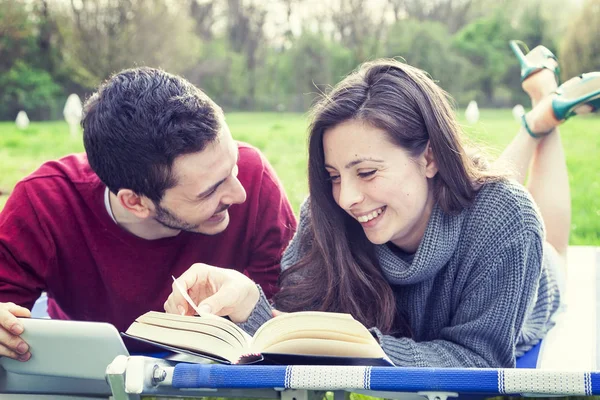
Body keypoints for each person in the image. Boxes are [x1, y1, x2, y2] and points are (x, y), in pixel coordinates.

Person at [166, 41, 600, 367]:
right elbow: (295, 329)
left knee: (549, 246)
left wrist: (360, 345)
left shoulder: (508, 221)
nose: (347, 198)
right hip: (454, 197)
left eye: (367, 172)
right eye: (335, 176)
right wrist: (249, 305)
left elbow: (478, 363)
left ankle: (544, 112)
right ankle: (542, 109)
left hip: (536, 285)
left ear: (429, 156)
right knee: (481, 186)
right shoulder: (326, 215)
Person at [0, 67, 297, 361]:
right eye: (209, 191)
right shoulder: (45, 202)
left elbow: (288, 318)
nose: (239, 193)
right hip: (88, 369)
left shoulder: (254, 177)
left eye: (232, 165)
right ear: (135, 203)